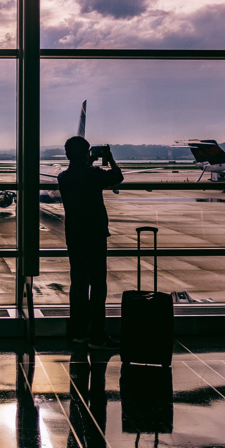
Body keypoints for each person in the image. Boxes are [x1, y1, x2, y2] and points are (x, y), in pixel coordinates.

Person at [58, 136, 123, 350]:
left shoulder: (63, 177)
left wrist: (87, 160)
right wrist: (109, 158)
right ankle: (98, 336)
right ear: (87, 153)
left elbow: (79, 173)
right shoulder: (93, 174)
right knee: (97, 285)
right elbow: (117, 177)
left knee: (78, 283)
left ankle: (78, 333)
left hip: (74, 236)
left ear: (67, 155)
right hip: (94, 235)